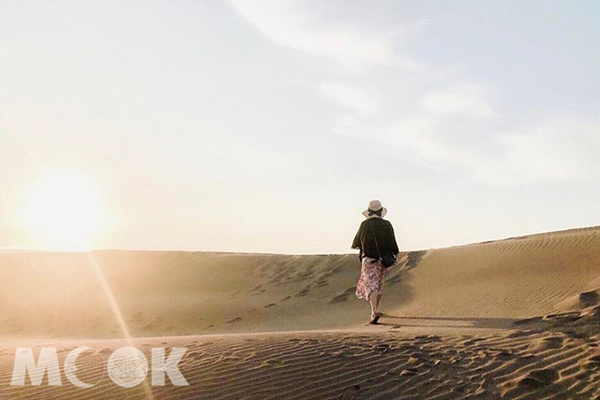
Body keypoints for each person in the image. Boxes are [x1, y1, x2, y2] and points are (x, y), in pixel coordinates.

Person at [351, 200, 400, 324]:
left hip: (368, 259)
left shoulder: (364, 225)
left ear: (369, 211)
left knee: (372, 286)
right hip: (382, 260)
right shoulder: (386, 224)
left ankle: (374, 312)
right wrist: (394, 254)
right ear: (380, 212)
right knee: (377, 285)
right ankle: (375, 310)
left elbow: (357, 242)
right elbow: (392, 242)